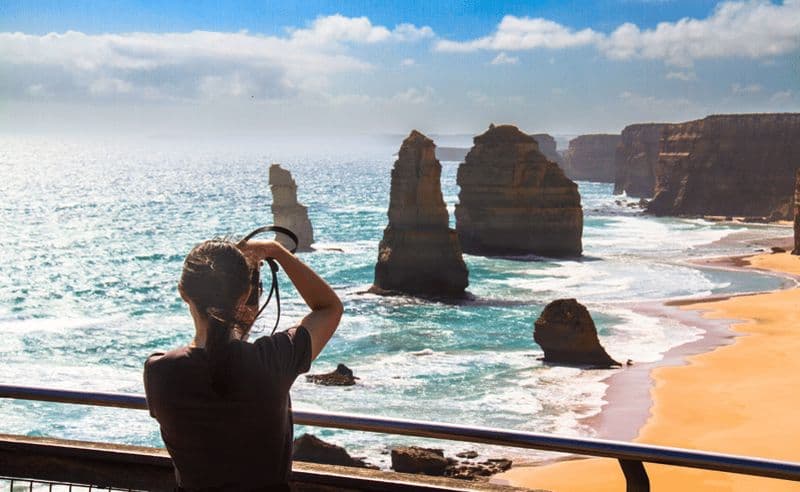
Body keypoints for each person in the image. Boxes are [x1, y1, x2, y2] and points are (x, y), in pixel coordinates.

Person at [143, 238, 342, 491]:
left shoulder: (159, 371)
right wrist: (275, 251)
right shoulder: (273, 359)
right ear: (246, 294)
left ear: (183, 292)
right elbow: (329, 308)